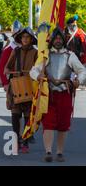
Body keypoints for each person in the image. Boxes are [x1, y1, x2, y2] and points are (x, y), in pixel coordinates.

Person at [30, 27, 86, 162]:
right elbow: (33, 70)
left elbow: (82, 71)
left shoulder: (70, 55)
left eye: (60, 38)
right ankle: (48, 151)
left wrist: (79, 81)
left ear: (64, 40)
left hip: (65, 93)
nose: (58, 40)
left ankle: (60, 152)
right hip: (48, 94)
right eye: (56, 38)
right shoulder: (45, 55)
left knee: (63, 123)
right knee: (48, 122)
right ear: (52, 40)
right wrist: (38, 77)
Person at [4, 27, 38, 153]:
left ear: (31, 39)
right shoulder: (15, 51)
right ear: (20, 39)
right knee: (15, 115)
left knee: (28, 115)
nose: (25, 39)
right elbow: (7, 68)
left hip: (30, 85)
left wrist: (35, 73)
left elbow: (39, 69)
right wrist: (8, 71)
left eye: (27, 37)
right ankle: (16, 140)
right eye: (23, 37)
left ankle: (25, 141)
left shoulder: (35, 52)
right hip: (16, 86)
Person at [0, 20, 23, 88]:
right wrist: (5, 83)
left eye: (19, 34)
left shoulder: (29, 49)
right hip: (13, 79)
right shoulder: (8, 50)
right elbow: (1, 68)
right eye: (16, 35)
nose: (18, 36)